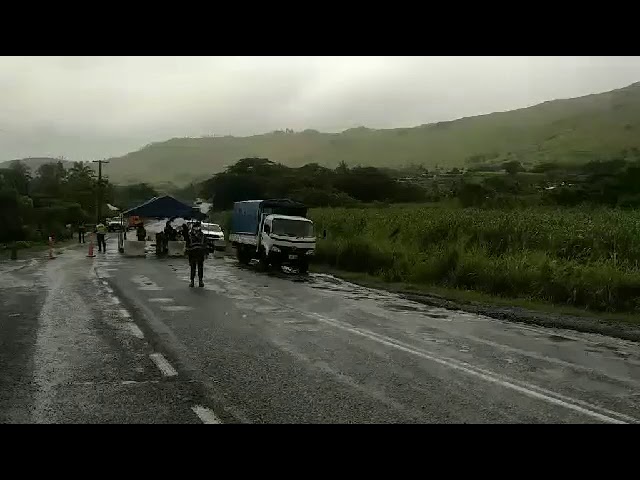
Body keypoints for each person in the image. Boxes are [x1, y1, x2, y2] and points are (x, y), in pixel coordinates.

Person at [187, 222, 206, 288]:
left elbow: (205, 244)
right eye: (195, 227)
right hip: (192, 254)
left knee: (200, 268)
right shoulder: (190, 235)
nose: (197, 228)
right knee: (193, 268)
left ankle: (200, 281)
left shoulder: (202, 235)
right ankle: (192, 281)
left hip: (200, 254)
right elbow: (188, 245)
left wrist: (206, 253)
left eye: (198, 227)